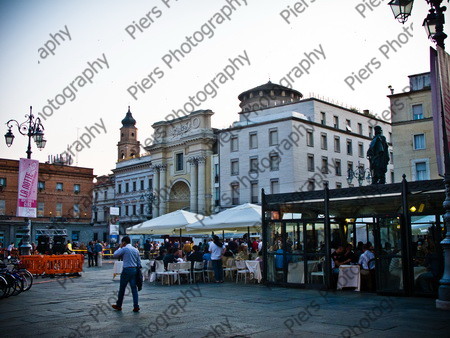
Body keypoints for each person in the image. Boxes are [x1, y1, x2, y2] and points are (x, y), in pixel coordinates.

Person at [112, 236, 141, 312]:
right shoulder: (136, 250)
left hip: (126, 269)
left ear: (124, 242)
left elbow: (115, 255)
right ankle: (136, 306)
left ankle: (119, 305)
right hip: (134, 269)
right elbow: (139, 262)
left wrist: (120, 247)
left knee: (122, 288)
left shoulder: (125, 249)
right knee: (134, 289)